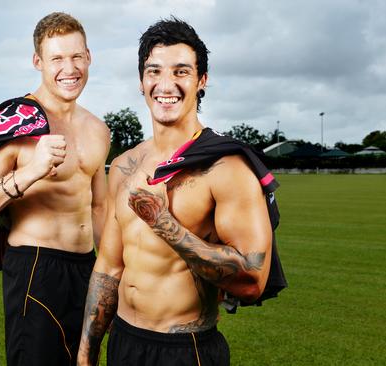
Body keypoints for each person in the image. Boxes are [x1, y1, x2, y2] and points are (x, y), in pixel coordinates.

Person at [77, 18, 281, 366]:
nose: (165, 84)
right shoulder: (126, 165)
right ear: (141, 82)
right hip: (124, 342)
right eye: (154, 71)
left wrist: (163, 223)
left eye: (181, 71)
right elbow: (109, 266)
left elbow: (251, 280)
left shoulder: (226, 168)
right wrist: (87, 352)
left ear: (202, 81)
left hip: (185, 350)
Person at [0, 12, 110, 366]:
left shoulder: (99, 129)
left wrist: (112, 271)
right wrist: (30, 173)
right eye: (57, 59)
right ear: (38, 62)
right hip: (37, 270)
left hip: (86, 267)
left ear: (89, 56)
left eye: (77, 56)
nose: (70, 68)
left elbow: (100, 209)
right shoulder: (20, 123)